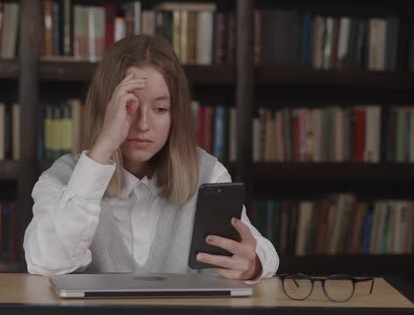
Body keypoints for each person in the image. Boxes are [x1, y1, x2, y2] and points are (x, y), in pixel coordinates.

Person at [23, 34, 279, 283]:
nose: (143, 124)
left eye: (160, 109)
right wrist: (102, 149)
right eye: (129, 107)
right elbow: (46, 262)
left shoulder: (208, 175)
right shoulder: (64, 177)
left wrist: (252, 264)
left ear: (175, 115)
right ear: (106, 109)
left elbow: (263, 253)